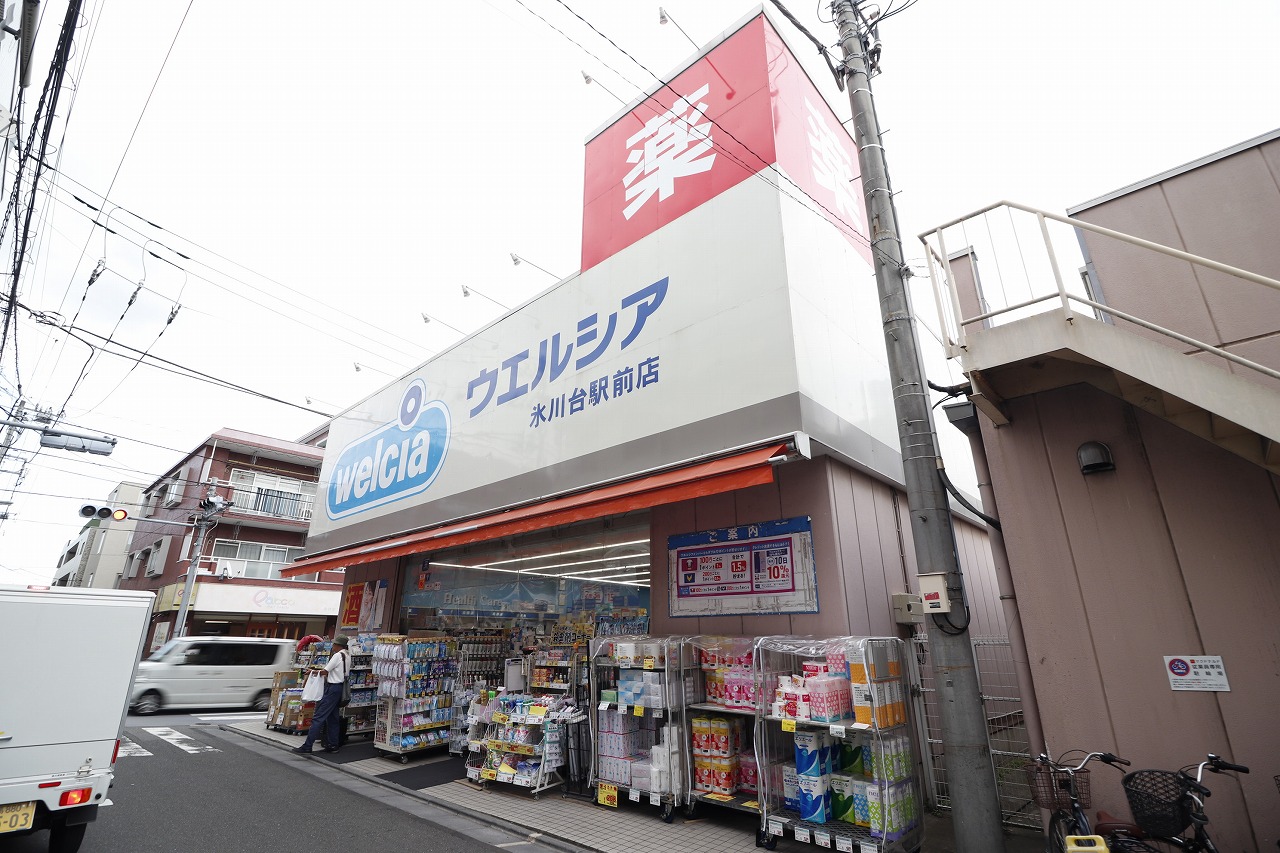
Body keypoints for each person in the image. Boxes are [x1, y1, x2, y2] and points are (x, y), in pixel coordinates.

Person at [293, 635, 349, 754]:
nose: (332, 646)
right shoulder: (347, 655)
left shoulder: (338, 655)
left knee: (318, 717)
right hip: (339, 688)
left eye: (334, 644)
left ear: (339, 645)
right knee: (333, 718)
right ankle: (333, 745)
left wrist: (312, 672)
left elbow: (325, 671)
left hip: (332, 688)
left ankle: (307, 746)